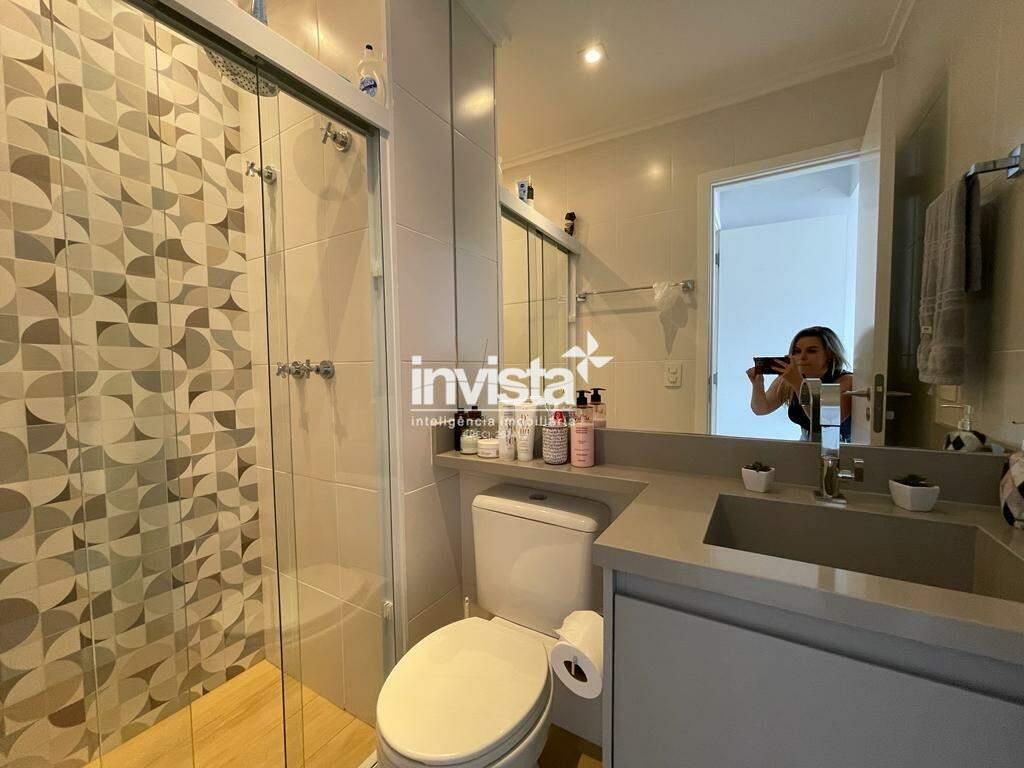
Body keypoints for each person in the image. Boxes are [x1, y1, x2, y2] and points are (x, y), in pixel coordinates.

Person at [746, 326, 853, 441]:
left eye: (812, 351)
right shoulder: (789, 379)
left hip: (839, 445)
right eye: (797, 351)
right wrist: (758, 385)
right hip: (806, 442)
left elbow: (827, 420)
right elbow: (762, 409)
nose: (802, 357)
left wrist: (798, 384)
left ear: (830, 354)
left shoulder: (845, 380)